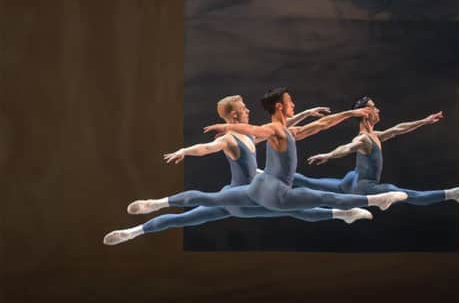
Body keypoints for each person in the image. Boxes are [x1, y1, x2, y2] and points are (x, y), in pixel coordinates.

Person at [104, 95, 371, 246]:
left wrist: (306, 113)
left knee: (295, 208)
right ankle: (150, 212)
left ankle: (134, 230)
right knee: (294, 207)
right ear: (234, 117)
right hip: (240, 197)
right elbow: (207, 147)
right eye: (243, 109)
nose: (247, 111)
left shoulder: (249, 137)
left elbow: (280, 130)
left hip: (249, 196)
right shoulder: (231, 138)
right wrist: (185, 151)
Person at [125, 88, 407, 216]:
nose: (294, 104)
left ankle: (156, 203)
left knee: (208, 199)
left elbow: (320, 125)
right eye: (292, 102)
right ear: (281, 107)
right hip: (275, 192)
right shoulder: (270, 129)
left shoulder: (285, 131)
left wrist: (348, 113)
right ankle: (377, 199)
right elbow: (254, 132)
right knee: (322, 197)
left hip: (258, 187)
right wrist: (220, 131)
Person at [295, 96, 459, 205]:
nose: (379, 110)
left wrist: (424, 121)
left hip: (350, 181)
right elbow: (348, 147)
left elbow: (399, 129)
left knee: (309, 181)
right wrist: (328, 155)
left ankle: (267, 175)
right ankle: (453, 194)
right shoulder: (364, 138)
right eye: (374, 108)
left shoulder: (375, 135)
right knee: (405, 194)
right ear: (365, 113)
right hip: (364, 187)